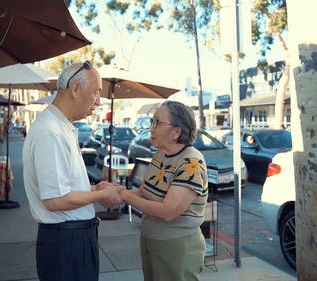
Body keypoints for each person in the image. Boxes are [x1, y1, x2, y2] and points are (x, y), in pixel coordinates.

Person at [22, 61, 123, 281]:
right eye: (96, 92)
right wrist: (101, 195)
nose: (98, 101)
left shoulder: (60, 126)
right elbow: (55, 200)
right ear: (75, 89)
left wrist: (93, 188)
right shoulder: (51, 132)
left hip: (71, 239)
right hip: (66, 242)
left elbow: (64, 187)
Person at [119, 100, 209, 281]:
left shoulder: (191, 163)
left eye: (157, 123)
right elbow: (144, 191)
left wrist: (124, 196)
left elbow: (168, 212)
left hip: (177, 247)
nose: (151, 128)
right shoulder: (160, 154)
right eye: (152, 122)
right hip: (151, 240)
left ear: (176, 132)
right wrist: (114, 191)